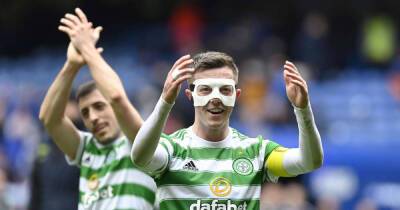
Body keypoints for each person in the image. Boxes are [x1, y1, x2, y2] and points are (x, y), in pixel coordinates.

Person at [131, 52, 324, 209]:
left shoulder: (256, 151)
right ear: (190, 95)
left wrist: (302, 109)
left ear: (236, 95)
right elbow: (140, 157)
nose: (215, 98)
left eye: (225, 90)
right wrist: (165, 101)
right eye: (205, 89)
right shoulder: (171, 148)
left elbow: (310, 161)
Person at [40, 8, 156, 210]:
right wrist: (71, 65)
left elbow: (117, 97)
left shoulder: (141, 142)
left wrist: (88, 49)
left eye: (99, 106)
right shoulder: (86, 148)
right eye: (85, 112)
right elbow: (49, 119)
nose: (92, 117)